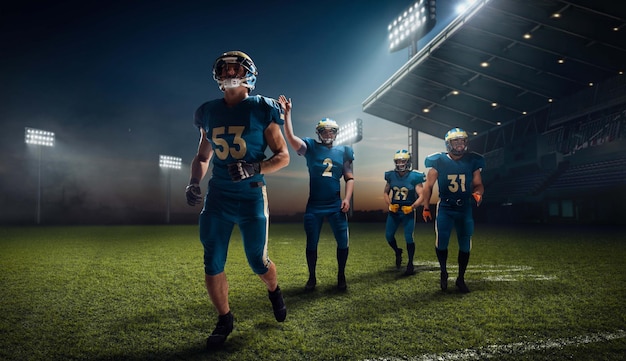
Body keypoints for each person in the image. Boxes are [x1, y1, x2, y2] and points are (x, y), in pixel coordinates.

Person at [185, 50, 290, 348]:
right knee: (212, 260)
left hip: (252, 195)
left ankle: (274, 290)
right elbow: (202, 156)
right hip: (219, 196)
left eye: (235, 69)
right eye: (225, 70)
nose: (230, 74)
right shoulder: (208, 111)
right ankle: (225, 318)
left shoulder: (262, 108)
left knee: (258, 261)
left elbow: (283, 157)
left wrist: (254, 167)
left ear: (249, 75)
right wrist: (194, 181)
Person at [279, 95, 354, 292]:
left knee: (343, 241)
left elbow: (350, 177)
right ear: (319, 133)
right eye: (324, 131)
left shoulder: (344, 150)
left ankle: (341, 275)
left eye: (331, 131)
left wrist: (347, 198)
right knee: (311, 242)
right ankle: (312, 277)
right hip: (314, 205)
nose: (328, 134)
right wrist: (288, 115)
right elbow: (291, 139)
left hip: (335, 204)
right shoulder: (311, 147)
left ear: (336, 133)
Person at [421, 127, 485, 293]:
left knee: (465, 244)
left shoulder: (472, 161)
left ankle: (461, 278)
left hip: (464, 207)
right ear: (448, 143)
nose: (460, 144)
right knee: (442, 242)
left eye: (462, 141)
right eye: (456, 141)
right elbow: (428, 186)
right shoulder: (438, 161)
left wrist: (478, 193)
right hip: (446, 207)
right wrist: (426, 207)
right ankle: (443, 271)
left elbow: (478, 183)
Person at [383, 149, 426, 276]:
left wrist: (412, 207)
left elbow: (422, 196)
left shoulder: (415, 176)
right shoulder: (391, 175)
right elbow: (385, 192)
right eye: (398, 161)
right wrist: (390, 205)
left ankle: (410, 263)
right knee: (388, 236)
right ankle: (397, 251)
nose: (400, 163)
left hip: (408, 210)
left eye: (403, 161)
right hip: (394, 211)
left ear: (408, 161)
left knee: (408, 237)